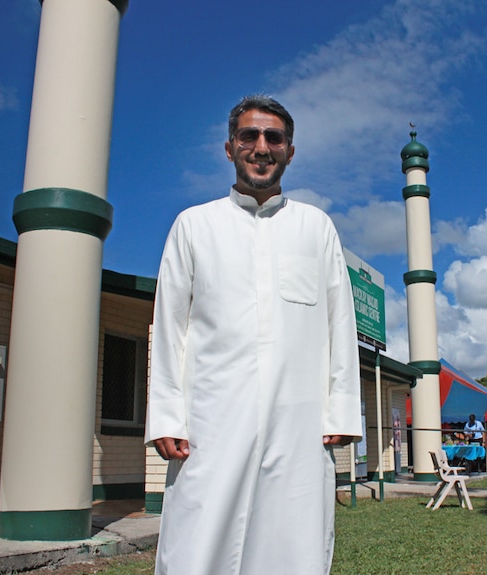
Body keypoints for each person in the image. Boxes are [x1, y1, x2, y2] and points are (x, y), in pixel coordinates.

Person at [145, 95, 362, 575]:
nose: (261, 147)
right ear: (229, 147)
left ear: (290, 151)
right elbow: (169, 327)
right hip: (210, 422)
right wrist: (165, 415)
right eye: (249, 136)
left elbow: (338, 322)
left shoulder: (316, 227)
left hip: (299, 424)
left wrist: (343, 408)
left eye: (274, 138)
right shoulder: (194, 226)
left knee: (295, 545)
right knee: (196, 544)